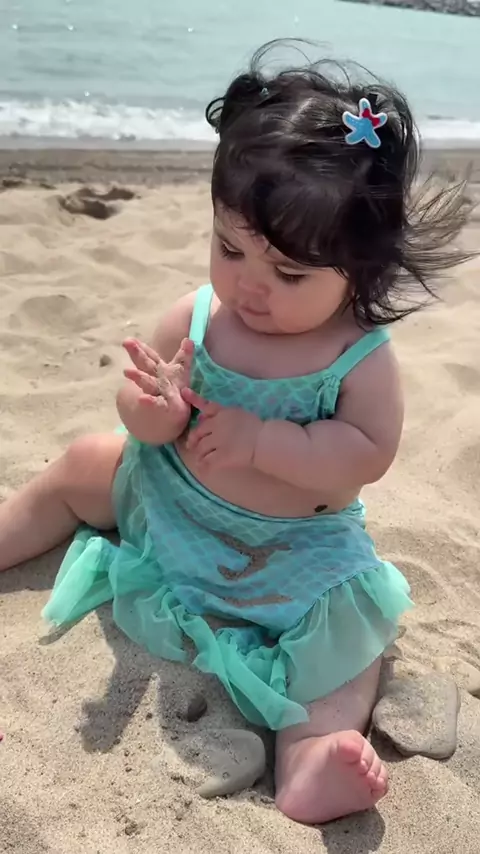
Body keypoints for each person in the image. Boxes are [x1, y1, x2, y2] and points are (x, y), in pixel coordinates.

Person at [0, 41, 470, 824]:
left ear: (361, 271)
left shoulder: (357, 358)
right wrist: (152, 411)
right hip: (168, 501)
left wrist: (264, 444)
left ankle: (314, 758)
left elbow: (367, 454)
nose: (250, 285)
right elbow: (146, 412)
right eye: (229, 248)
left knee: (348, 645)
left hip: (292, 554)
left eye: (289, 273)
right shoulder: (198, 317)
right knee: (84, 463)